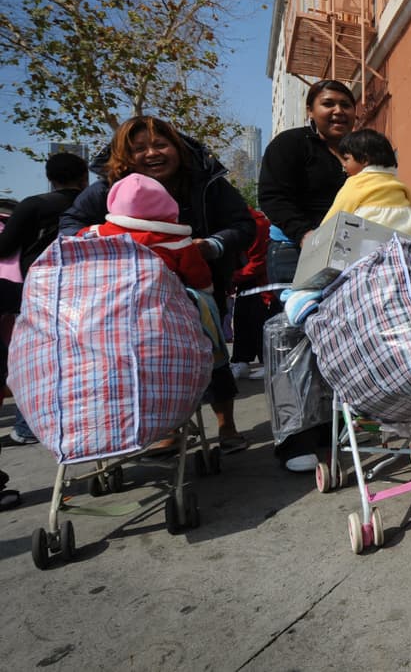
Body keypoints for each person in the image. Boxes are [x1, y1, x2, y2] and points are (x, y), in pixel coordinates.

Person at [61, 116, 255, 454]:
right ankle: (168, 427)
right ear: (125, 155)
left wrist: (211, 245)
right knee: (154, 362)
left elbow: (242, 224)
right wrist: (106, 245)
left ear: (177, 148)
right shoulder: (110, 185)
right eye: (139, 149)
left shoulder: (206, 181)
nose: (152, 153)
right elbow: (70, 224)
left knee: (213, 354)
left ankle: (227, 425)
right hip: (130, 298)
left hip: (199, 288)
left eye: (160, 145)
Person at [258, 79, 355, 472]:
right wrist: (305, 234)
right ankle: (294, 437)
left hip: (345, 254)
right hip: (294, 252)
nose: (338, 111)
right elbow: (272, 196)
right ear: (311, 109)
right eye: (328, 103)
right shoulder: (290, 145)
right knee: (291, 340)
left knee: (338, 337)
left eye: (346, 105)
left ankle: (332, 428)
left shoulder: (358, 150)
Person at [0, 152, 89, 446]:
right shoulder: (94, 204)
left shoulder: (33, 205)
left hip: (42, 291)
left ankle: (28, 428)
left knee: (40, 356)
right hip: (91, 288)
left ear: (50, 178)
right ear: (84, 176)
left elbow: (5, 247)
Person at [79, 173, 212, 291]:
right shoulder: (179, 243)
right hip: (159, 310)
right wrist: (207, 291)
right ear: (167, 204)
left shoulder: (93, 234)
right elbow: (200, 279)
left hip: (100, 307)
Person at [322, 129, 411, 236]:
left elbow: (337, 213)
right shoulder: (396, 183)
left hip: (371, 240)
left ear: (364, 160)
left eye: (346, 159)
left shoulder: (356, 183)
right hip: (403, 240)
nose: (344, 165)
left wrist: (319, 235)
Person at [229, 208, 271, 380]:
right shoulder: (235, 223)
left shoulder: (257, 223)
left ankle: (266, 362)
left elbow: (259, 261)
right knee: (241, 318)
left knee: (259, 319)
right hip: (244, 278)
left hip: (261, 281)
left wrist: (233, 278)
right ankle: (241, 361)